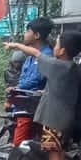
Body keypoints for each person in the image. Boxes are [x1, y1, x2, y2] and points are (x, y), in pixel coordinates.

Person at [5, 30, 81, 160]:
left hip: (55, 118)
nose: (54, 47)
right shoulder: (70, 67)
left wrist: (15, 45)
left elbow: (36, 53)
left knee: (55, 155)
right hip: (61, 117)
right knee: (57, 154)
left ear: (63, 50)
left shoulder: (60, 66)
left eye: (56, 44)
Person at [11, 17, 54, 150]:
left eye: (27, 31)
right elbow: (25, 77)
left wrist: (18, 87)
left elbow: (37, 77)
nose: (25, 34)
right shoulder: (29, 56)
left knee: (21, 144)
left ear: (36, 35)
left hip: (33, 105)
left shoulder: (46, 54)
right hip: (25, 104)